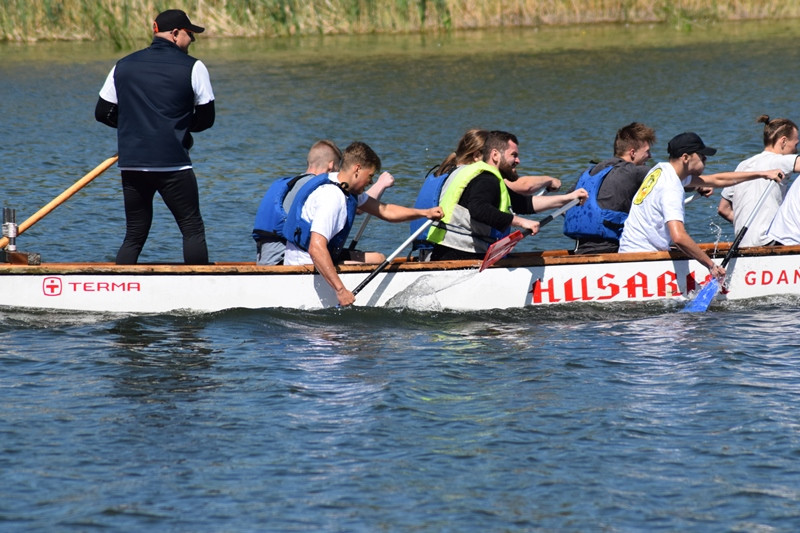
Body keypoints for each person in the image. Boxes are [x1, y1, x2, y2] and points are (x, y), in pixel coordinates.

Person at [95, 9, 215, 265]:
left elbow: (103, 112)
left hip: (132, 163)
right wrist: (176, 127)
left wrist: (139, 128)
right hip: (174, 163)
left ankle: (120, 289)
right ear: (174, 34)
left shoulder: (122, 65)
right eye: (189, 34)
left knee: (135, 234)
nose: (192, 41)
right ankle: (203, 293)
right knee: (192, 228)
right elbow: (206, 119)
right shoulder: (194, 66)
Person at [283, 142, 443, 307]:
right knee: (377, 263)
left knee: (378, 258)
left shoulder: (344, 187)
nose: (371, 181)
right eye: (370, 175)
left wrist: (425, 213)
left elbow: (386, 211)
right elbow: (316, 248)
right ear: (357, 169)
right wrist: (340, 290)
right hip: (306, 264)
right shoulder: (331, 197)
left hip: (323, 256)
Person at [619, 132, 785, 281]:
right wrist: (711, 266)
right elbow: (678, 237)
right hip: (641, 260)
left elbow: (718, 180)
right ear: (686, 157)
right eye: (702, 156)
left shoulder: (662, 169)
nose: (706, 159)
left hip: (630, 251)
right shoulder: (671, 187)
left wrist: (763, 174)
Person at [426, 130, 588, 261]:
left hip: (451, 252)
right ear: (495, 155)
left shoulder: (478, 174)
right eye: (513, 155)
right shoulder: (485, 179)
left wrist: (567, 199)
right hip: (462, 255)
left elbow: (522, 204)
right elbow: (479, 209)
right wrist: (520, 222)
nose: (518, 161)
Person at [252, 140, 394, 265]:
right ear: (332, 166)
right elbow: (357, 208)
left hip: (265, 260)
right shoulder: (319, 188)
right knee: (378, 258)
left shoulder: (289, 183)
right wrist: (380, 184)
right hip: (286, 261)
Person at [563, 122, 656, 254]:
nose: (650, 156)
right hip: (613, 249)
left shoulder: (590, 172)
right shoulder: (634, 172)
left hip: (581, 248)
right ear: (633, 153)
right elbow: (674, 179)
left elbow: (564, 206)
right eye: (647, 151)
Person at [718, 115, 800, 247]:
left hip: (742, 244)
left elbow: (723, 209)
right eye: (796, 144)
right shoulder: (781, 161)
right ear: (783, 141)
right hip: (769, 241)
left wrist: (751, 226)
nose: (796, 150)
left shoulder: (742, 165)